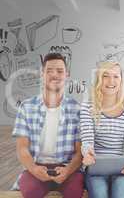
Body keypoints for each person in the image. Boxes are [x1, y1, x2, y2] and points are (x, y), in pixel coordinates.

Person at [12, 53, 83, 198]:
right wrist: (33, 168)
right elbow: (22, 148)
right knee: (31, 191)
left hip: (67, 169)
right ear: (42, 74)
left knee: (74, 192)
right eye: (49, 71)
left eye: (60, 71)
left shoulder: (77, 109)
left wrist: (68, 170)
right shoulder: (26, 107)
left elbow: (79, 152)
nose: (54, 75)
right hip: (37, 166)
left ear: (67, 75)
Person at [80, 61, 124, 198]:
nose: (111, 81)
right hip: (96, 167)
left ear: (121, 80)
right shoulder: (88, 106)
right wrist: (87, 153)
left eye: (116, 76)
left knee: (120, 192)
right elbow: (87, 140)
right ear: (99, 79)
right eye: (106, 76)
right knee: (99, 194)